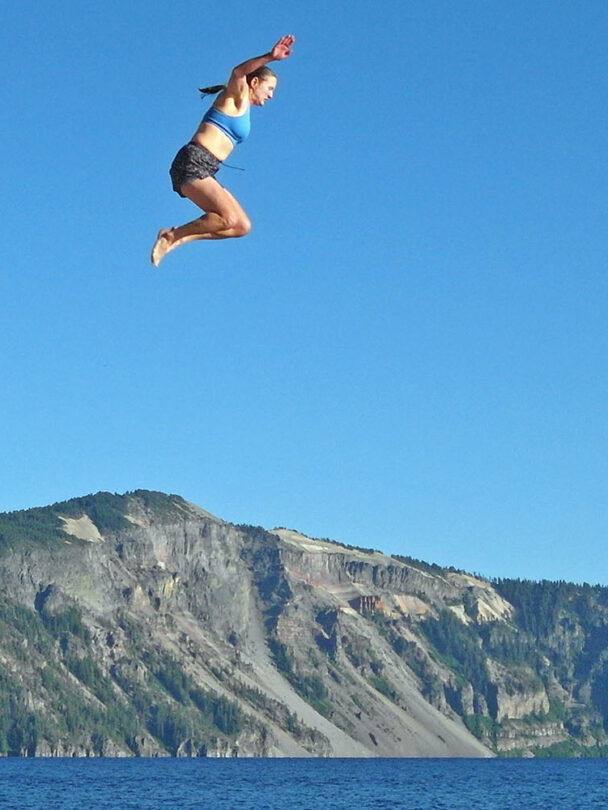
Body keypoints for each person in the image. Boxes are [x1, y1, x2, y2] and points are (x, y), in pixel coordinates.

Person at [151, 34, 295, 266]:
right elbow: (238, 72)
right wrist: (270, 57)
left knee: (241, 226)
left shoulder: (244, 108)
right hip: (193, 161)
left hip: (207, 167)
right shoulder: (235, 96)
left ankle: (175, 238)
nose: (271, 95)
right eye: (269, 88)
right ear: (255, 83)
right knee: (227, 218)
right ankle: (172, 236)